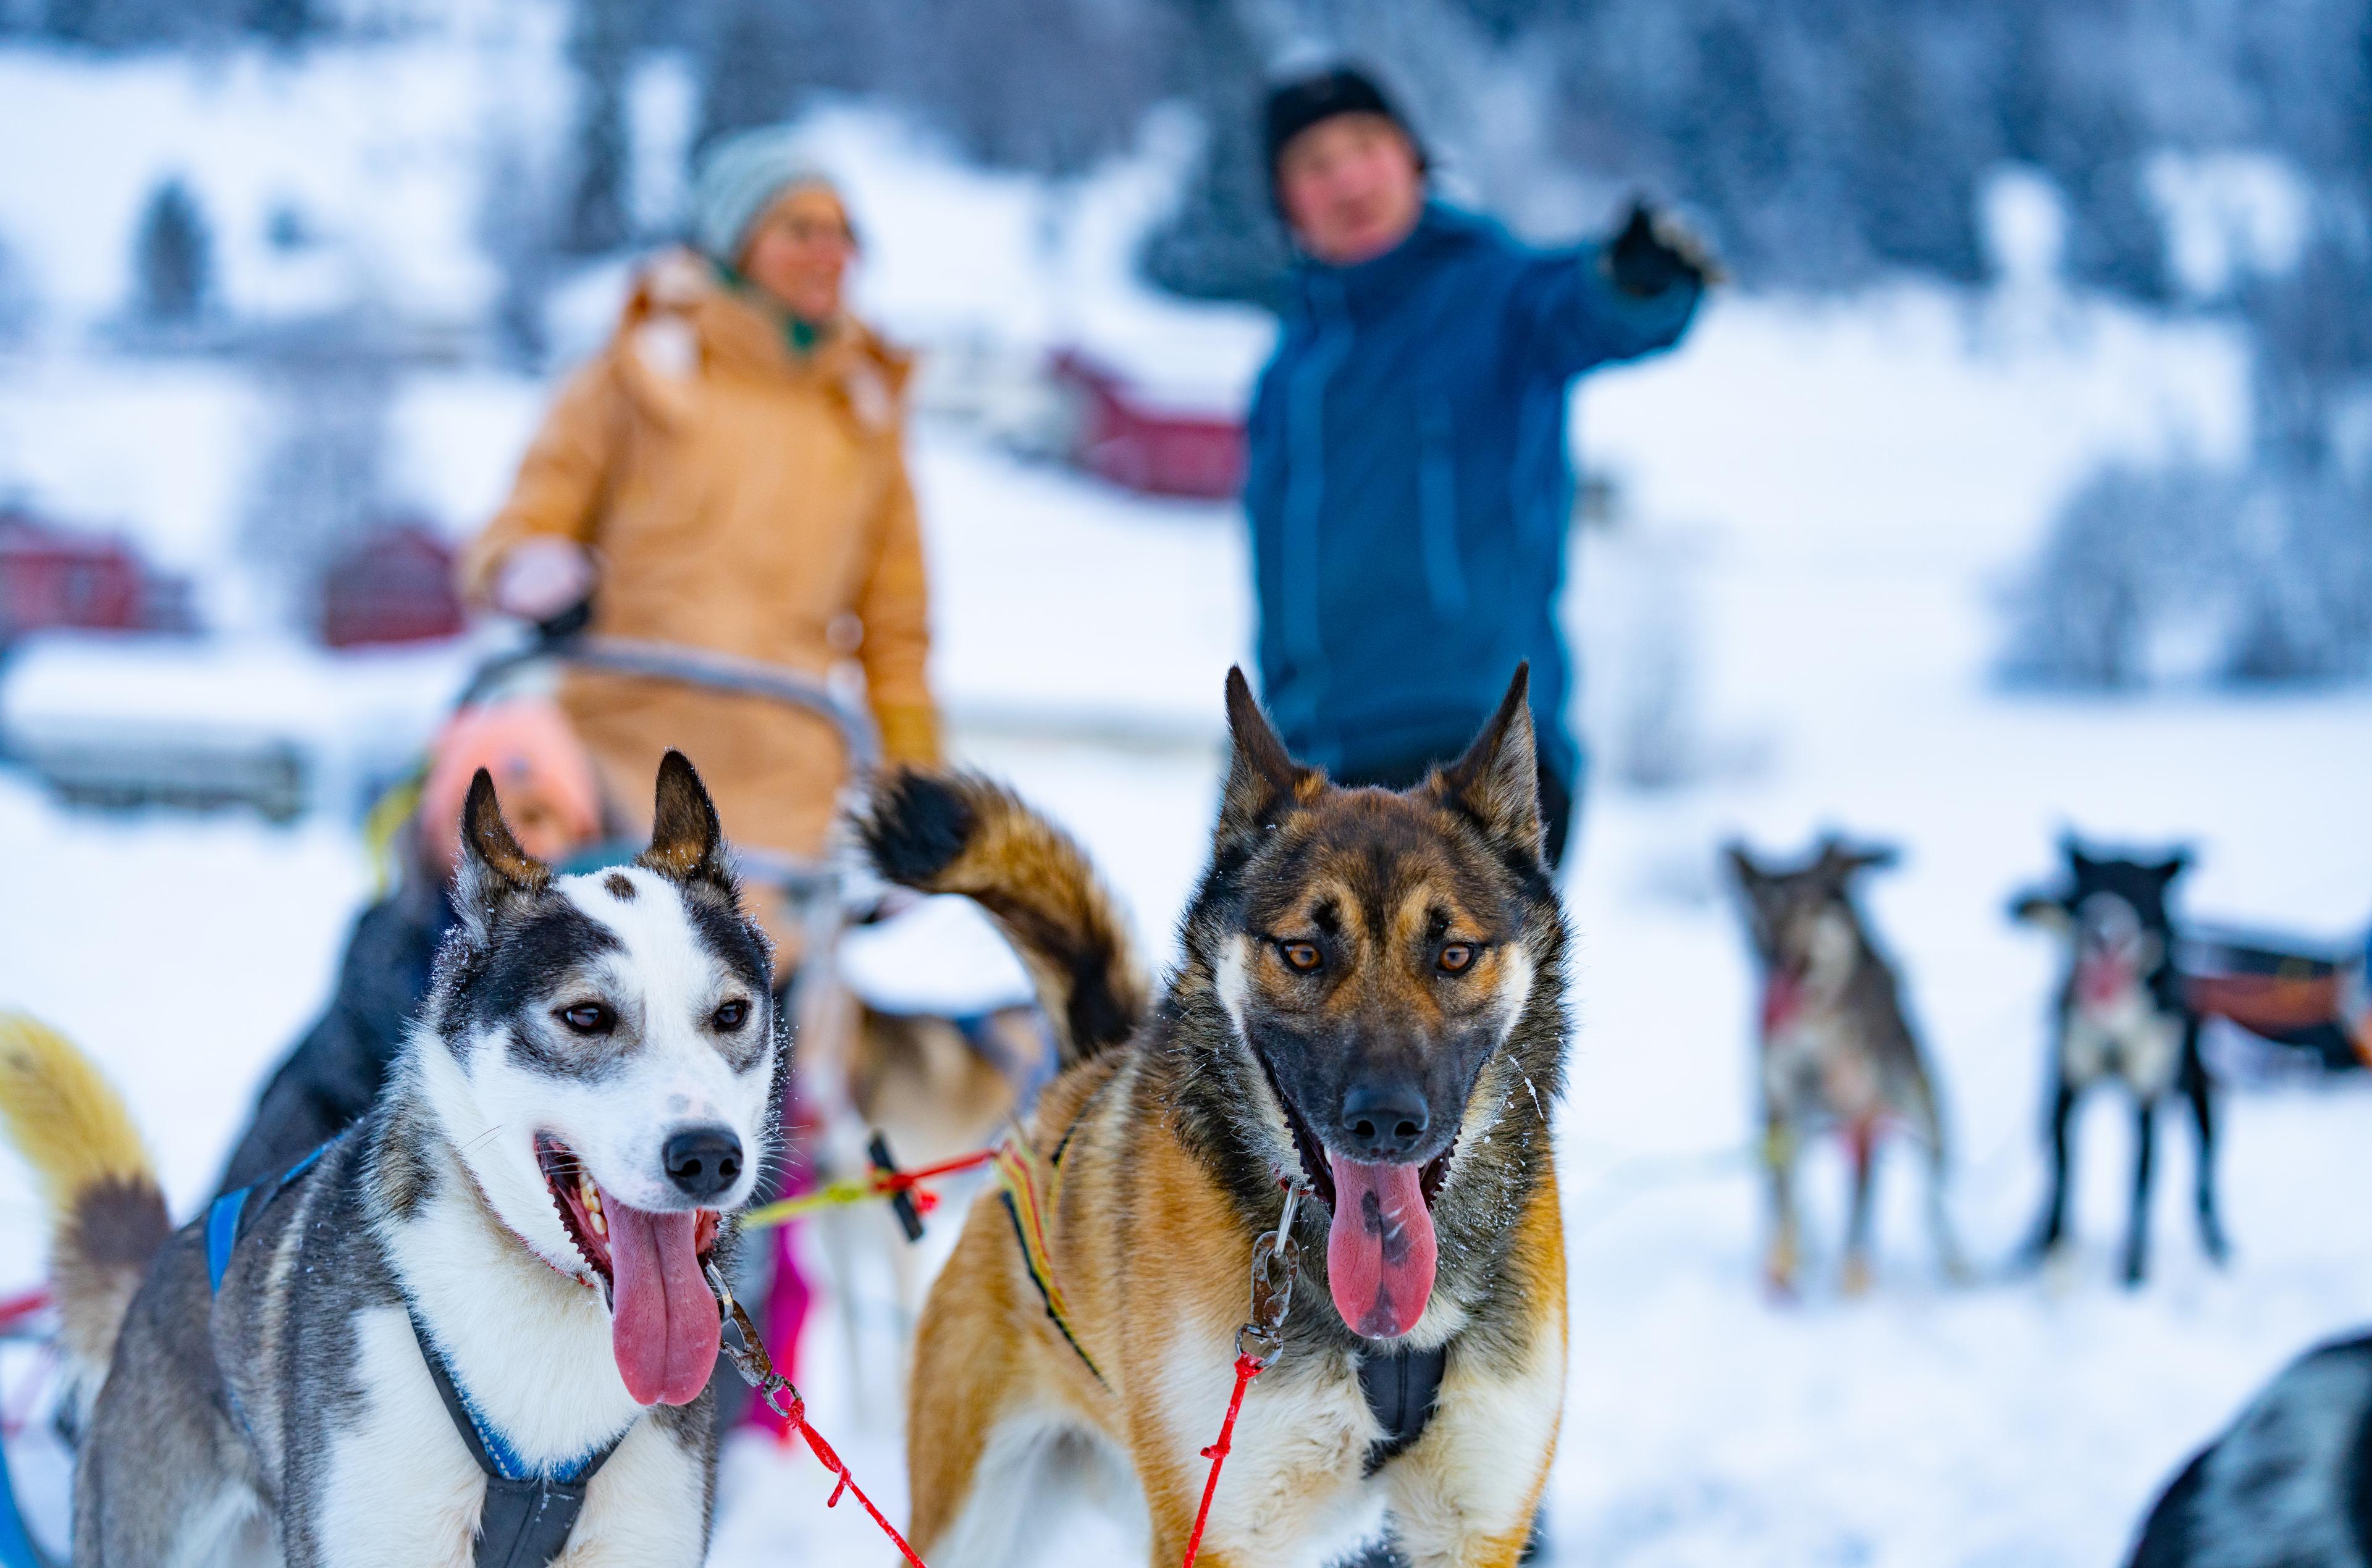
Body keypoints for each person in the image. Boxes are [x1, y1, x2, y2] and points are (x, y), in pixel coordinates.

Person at [461, 129, 942, 954]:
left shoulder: (863, 416)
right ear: (735, 242)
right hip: (617, 761)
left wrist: (915, 792)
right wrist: (527, 567)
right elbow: (525, 521)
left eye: (843, 235)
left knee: (746, 1022)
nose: (830, 254)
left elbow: (897, 632)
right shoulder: (637, 373)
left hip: (787, 780)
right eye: (800, 231)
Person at [1244, 65, 1714, 866]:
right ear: (1287, 201)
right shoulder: (1290, 368)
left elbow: (1590, 308)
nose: (1347, 179)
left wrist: (1639, 281)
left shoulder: (1494, 294)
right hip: (1314, 756)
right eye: (1315, 165)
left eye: (1365, 147)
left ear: (1414, 161)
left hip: (1470, 743)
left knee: (1417, 994)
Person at [219, 700, 605, 1193]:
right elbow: (279, 1155)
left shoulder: (624, 962)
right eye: (481, 825)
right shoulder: (386, 969)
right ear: (434, 836)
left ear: (581, 835)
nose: (506, 843)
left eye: (534, 814)